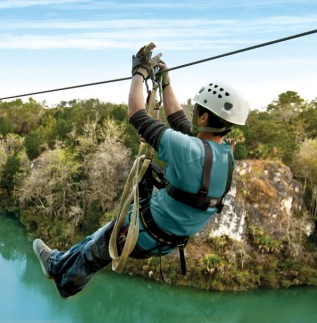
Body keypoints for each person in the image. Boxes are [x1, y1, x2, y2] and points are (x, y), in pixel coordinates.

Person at [32, 44, 250, 298]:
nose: (191, 112)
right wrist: (165, 83)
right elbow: (178, 120)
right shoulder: (225, 155)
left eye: (196, 109)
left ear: (203, 118)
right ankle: (57, 262)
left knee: (93, 254)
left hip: (142, 232)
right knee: (100, 235)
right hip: (166, 238)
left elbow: (136, 114)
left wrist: (139, 72)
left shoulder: (187, 149)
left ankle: (66, 283)